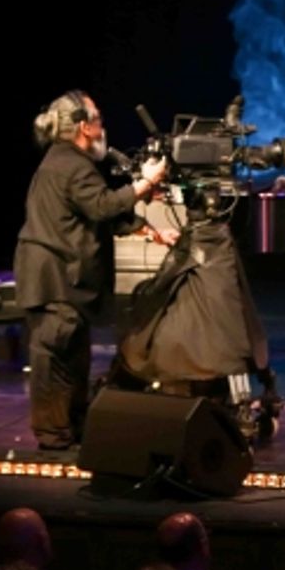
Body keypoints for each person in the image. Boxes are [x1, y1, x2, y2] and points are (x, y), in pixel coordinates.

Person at [15, 90, 171, 450]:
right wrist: (144, 183)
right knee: (53, 357)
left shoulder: (68, 161)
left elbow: (94, 215)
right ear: (84, 127)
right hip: (54, 277)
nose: (103, 128)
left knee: (72, 356)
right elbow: (101, 206)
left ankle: (71, 426)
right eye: (98, 119)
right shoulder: (70, 164)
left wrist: (150, 230)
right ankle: (53, 434)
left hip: (63, 278)